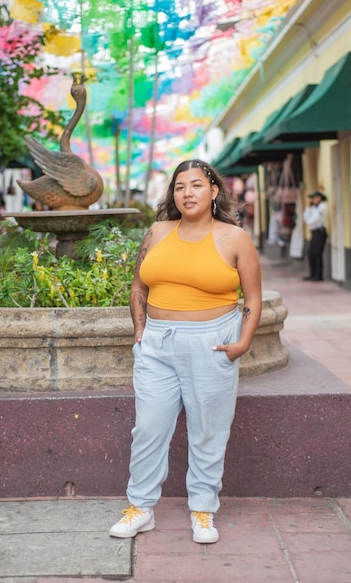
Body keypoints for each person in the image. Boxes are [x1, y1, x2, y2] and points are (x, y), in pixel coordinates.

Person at [109, 159, 262, 544]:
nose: (187, 193)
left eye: (196, 185)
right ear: (172, 194)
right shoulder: (158, 232)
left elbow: (254, 298)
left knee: (208, 431)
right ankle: (140, 508)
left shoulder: (234, 238)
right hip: (157, 343)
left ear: (214, 191)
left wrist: (241, 343)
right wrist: (141, 331)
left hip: (211, 342)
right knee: (148, 429)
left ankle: (203, 510)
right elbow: (138, 287)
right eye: (180, 187)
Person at [303, 190, 328, 281]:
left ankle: (318, 275)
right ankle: (312, 273)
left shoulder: (322, 207)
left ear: (319, 198)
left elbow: (313, 221)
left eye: (315, 198)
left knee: (317, 253)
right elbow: (306, 218)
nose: (313, 200)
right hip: (314, 232)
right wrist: (308, 208)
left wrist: (309, 220)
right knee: (310, 253)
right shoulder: (313, 208)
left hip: (320, 232)